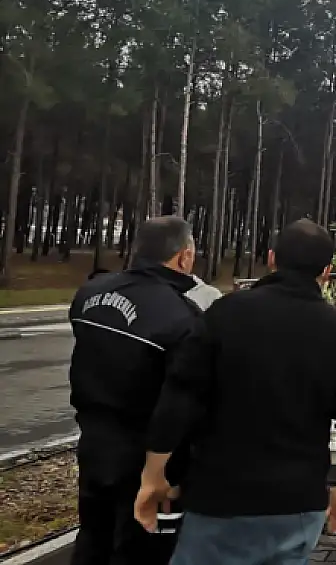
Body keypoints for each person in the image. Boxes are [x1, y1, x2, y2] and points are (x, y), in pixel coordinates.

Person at [134, 218, 336, 565]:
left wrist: (154, 474)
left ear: (272, 258)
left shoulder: (225, 314)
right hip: (299, 504)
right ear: (327, 271)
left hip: (223, 500)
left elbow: (181, 395)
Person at [68, 216, 205, 565]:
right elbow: (179, 401)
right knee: (143, 551)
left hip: (94, 442)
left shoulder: (88, 295)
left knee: (93, 536)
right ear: (184, 257)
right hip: (146, 457)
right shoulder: (183, 318)